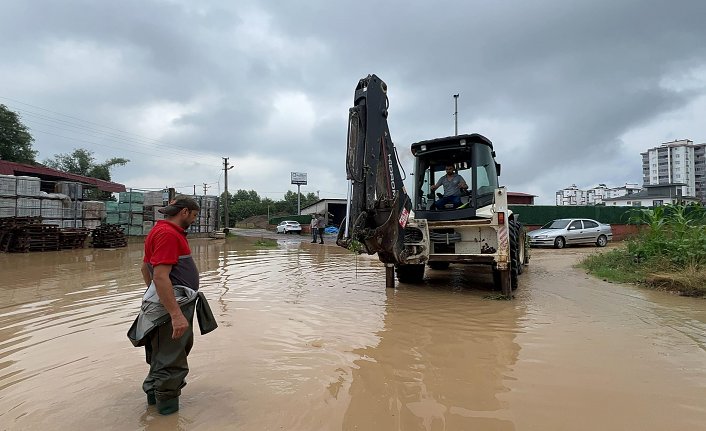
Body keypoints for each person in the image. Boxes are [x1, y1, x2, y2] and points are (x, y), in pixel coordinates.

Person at [127, 195, 217, 415]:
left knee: (162, 357)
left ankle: (153, 407)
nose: (194, 220)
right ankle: (167, 416)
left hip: (165, 306)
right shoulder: (169, 235)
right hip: (172, 310)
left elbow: (144, 268)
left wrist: (158, 296)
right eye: (194, 215)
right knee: (172, 361)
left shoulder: (159, 231)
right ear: (184, 212)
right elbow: (160, 277)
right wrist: (175, 313)